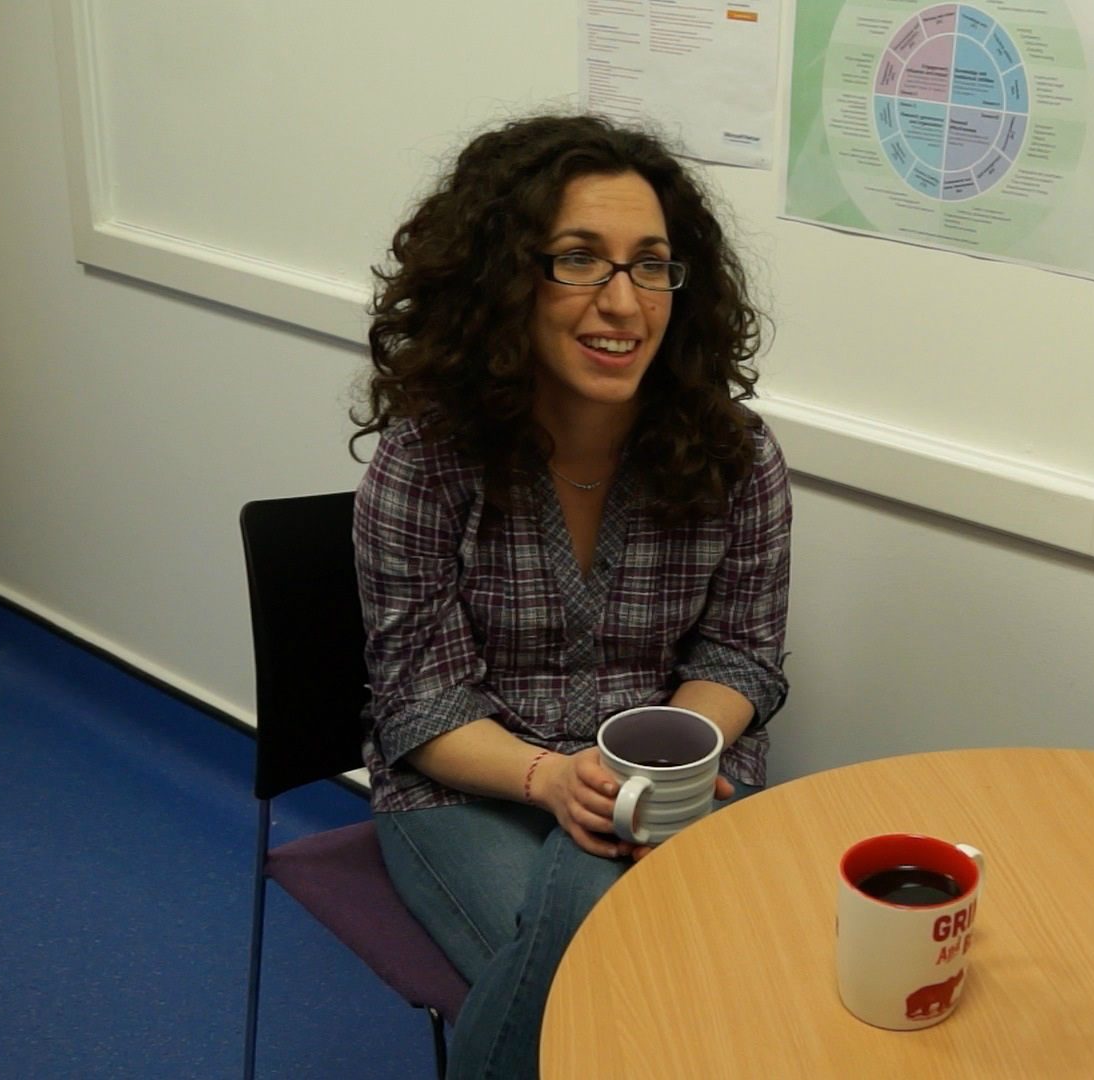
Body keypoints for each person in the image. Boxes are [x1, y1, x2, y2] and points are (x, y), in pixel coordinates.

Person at [348, 114, 791, 1080]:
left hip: (684, 776)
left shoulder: (737, 456)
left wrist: (657, 773)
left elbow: (742, 656)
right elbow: (421, 703)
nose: (623, 303)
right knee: (621, 954)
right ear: (504, 282)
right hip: (472, 785)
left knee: (679, 958)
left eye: (651, 265)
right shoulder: (425, 464)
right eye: (579, 261)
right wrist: (557, 779)